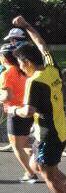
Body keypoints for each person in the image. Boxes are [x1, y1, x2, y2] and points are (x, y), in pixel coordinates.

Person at [11, 43, 66, 193]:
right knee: (35, 165)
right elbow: (43, 46)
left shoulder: (34, 81)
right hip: (59, 130)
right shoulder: (52, 68)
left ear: (27, 62)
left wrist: (12, 110)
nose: (20, 67)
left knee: (48, 176)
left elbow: (28, 111)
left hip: (48, 136)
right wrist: (27, 25)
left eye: (19, 63)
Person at [0, 43, 38, 182]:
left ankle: (30, 173)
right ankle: (37, 158)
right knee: (24, 143)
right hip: (28, 110)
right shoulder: (23, 70)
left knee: (17, 147)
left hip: (15, 113)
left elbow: (7, 96)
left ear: (4, 57)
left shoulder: (6, 74)